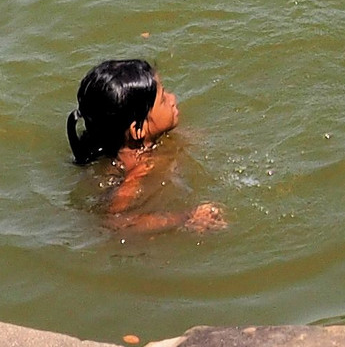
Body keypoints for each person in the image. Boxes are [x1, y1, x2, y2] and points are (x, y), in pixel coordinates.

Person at [65, 59, 226, 234]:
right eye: (163, 99)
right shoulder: (136, 173)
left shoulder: (150, 141)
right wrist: (185, 218)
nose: (173, 99)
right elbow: (114, 222)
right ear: (138, 130)